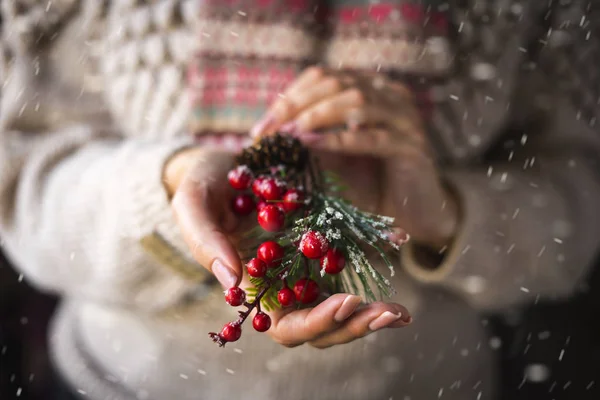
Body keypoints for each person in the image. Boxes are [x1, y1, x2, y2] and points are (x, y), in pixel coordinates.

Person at [1, 1, 599, 399]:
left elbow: (577, 206)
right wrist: (170, 185)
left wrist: (446, 214)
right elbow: (22, 186)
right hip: (120, 383)